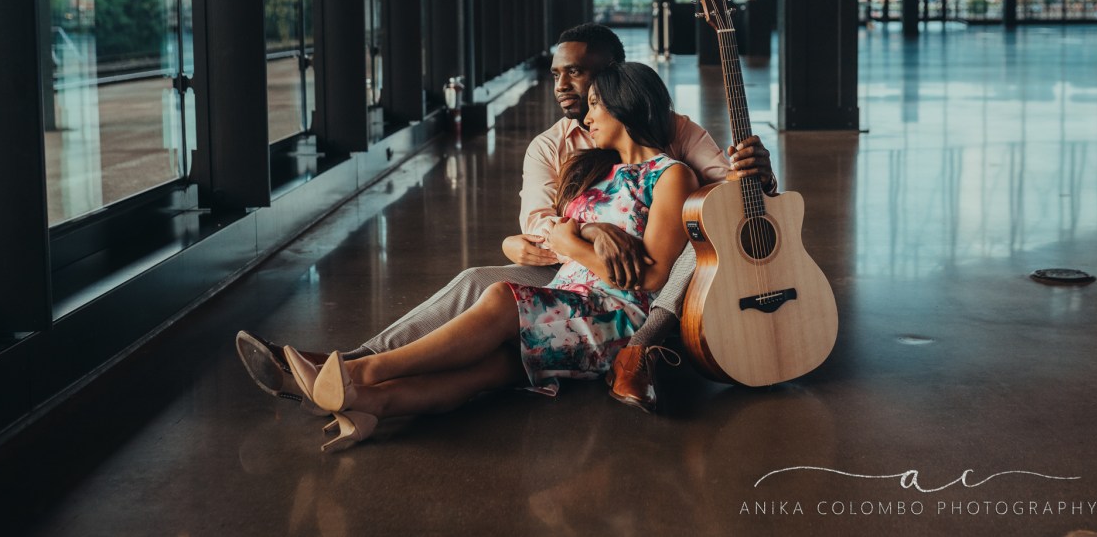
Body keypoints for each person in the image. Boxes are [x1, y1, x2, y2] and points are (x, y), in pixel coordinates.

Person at [236, 23, 776, 412]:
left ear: (613, 82)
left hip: (634, 294)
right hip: (565, 273)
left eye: (578, 76)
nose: (566, 88)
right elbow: (538, 228)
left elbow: (725, 193)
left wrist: (756, 176)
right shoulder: (556, 148)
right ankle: (353, 376)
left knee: (702, 231)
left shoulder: (673, 139)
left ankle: (642, 350)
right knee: (478, 290)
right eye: (558, 74)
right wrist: (586, 231)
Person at [280, 62, 699, 451]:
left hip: (613, 320)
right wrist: (582, 233)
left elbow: (652, 277)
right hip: (563, 302)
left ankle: (358, 373)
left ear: (625, 104)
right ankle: (371, 407)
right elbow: (557, 226)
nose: (586, 118)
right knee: (478, 373)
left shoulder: (671, 175)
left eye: (594, 105)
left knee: (501, 297)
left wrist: (573, 245)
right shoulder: (598, 170)